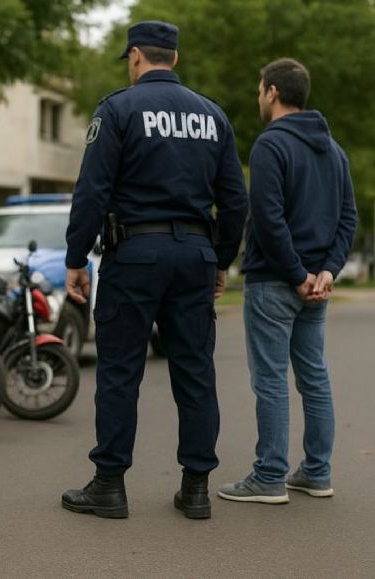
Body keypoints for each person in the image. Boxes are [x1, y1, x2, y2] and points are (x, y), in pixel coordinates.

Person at [61, 21, 248, 520]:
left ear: (137, 56)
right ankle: (196, 489)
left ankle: (109, 485)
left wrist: (76, 258)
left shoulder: (118, 109)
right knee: (196, 373)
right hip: (195, 256)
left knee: (121, 371)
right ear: (176, 58)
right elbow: (235, 200)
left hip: (135, 254)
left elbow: (93, 191)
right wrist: (221, 259)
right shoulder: (213, 116)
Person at [219, 58, 357, 504]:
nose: (258, 96)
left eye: (260, 89)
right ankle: (317, 472)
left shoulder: (269, 145)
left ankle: (269, 477)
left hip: (277, 283)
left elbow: (268, 218)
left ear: (273, 92)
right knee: (314, 378)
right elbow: (347, 219)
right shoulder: (334, 151)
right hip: (316, 285)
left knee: (271, 380)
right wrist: (327, 271)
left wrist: (297, 275)